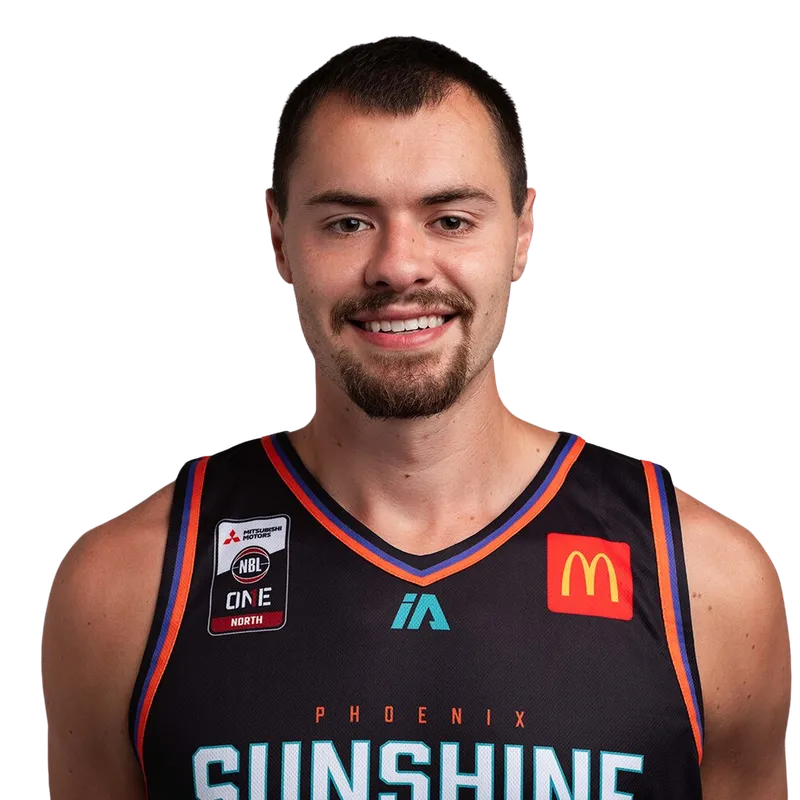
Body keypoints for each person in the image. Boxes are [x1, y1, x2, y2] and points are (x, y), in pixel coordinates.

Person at [41, 34, 791, 799]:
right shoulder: (125, 587)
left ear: (525, 233)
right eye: (347, 222)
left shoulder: (706, 583)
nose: (399, 266)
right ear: (277, 239)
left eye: (451, 220)